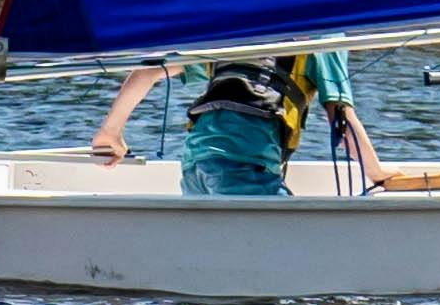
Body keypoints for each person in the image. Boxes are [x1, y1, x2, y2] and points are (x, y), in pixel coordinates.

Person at [87, 50, 374, 197]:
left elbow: (150, 70)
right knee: (274, 257)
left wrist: (110, 133)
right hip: (243, 163)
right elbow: (340, 119)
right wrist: (376, 172)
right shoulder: (325, 37)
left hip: (195, 163)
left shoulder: (235, 29)